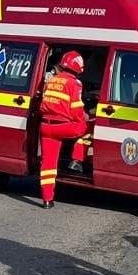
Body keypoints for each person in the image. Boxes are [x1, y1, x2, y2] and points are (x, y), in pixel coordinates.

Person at [37, 50, 89, 208]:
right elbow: (76, 110)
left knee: (48, 164)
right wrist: (85, 117)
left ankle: (47, 200)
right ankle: (76, 160)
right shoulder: (75, 83)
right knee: (87, 127)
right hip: (63, 127)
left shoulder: (52, 80)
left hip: (45, 127)